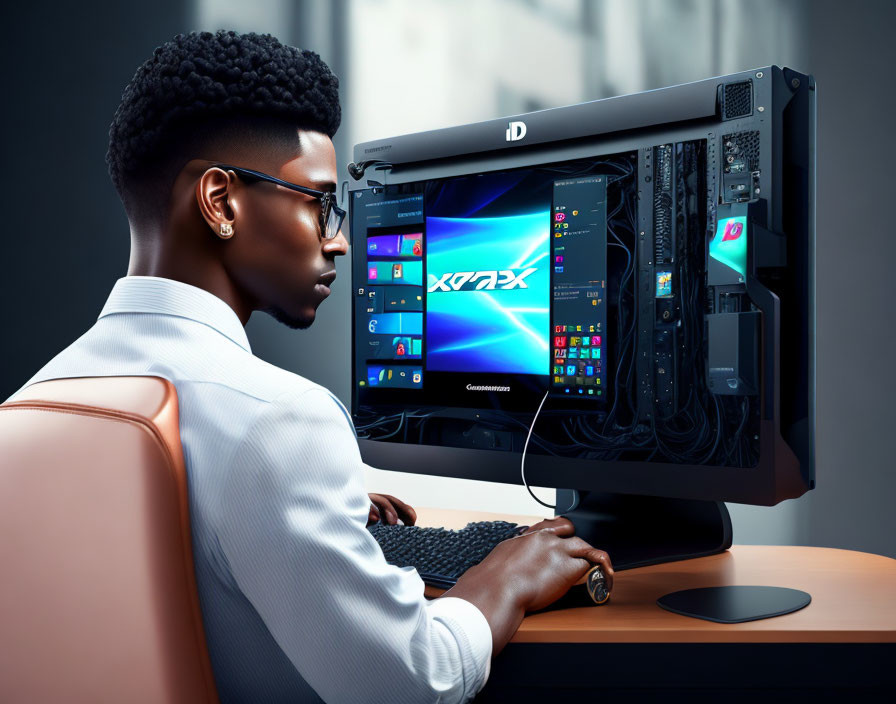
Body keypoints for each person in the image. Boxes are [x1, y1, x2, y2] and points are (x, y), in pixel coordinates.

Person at [5, 30, 613, 703]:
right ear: (220, 202)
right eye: (319, 203)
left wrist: (311, 511)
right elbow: (413, 683)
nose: (341, 240)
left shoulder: (34, 404)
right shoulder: (276, 423)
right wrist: (503, 578)